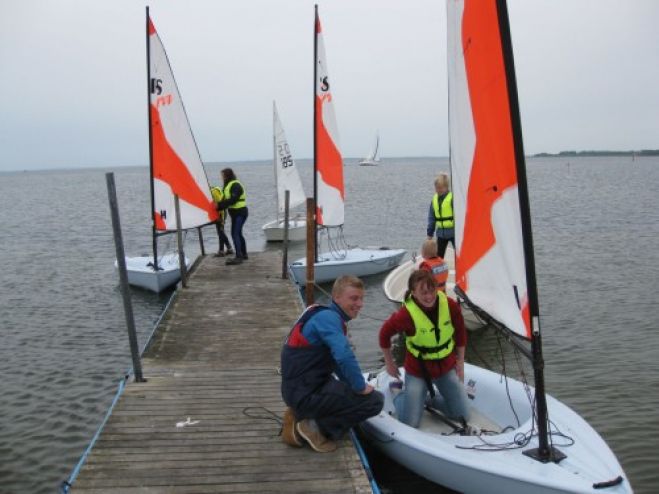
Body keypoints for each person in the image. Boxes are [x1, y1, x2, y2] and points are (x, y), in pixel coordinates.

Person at [280, 275, 384, 453]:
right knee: (374, 401)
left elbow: (337, 362)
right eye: (354, 298)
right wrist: (359, 387)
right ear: (336, 297)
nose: (360, 304)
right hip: (305, 392)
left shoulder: (319, 313)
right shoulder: (329, 319)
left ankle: (300, 414)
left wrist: (351, 385)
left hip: (300, 389)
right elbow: (344, 356)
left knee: (349, 390)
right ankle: (315, 427)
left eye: (361, 298)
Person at [378, 269, 471, 430]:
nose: (429, 297)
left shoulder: (450, 306)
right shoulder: (405, 315)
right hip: (418, 371)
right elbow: (384, 335)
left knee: (462, 415)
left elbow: (461, 334)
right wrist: (389, 363)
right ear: (413, 293)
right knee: (411, 423)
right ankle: (399, 395)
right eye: (423, 293)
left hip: (446, 367)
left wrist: (460, 363)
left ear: (437, 288)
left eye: (431, 291)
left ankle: (425, 399)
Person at [215, 167, 248, 265]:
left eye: (222, 175)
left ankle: (239, 257)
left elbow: (233, 200)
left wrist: (219, 205)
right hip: (234, 213)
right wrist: (217, 208)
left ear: (227, 175)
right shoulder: (227, 186)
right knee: (238, 233)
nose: (221, 177)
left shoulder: (235, 185)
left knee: (235, 234)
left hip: (240, 213)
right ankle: (244, 254)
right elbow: (224, 200)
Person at [427, 173, 454, 259]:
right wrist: (429, 234)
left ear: (446, 187)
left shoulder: (452, 198)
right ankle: (439, 271)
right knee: (438, 257)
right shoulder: (434, 200)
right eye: (437, 188)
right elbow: (431, 218)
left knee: (460, 255)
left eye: (441, 188)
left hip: (454, 233)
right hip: (441, 234)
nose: (438, 190)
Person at [210, 182, 233, 257]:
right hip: (220, 213)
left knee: (221, 232)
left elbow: (220, 205)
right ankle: (226, 249)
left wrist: (222, 219)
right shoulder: (214, 190)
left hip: (221, 213)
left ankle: (223, 250)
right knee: (220, 232)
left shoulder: (214, 192)